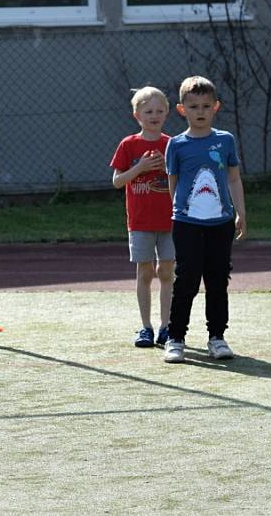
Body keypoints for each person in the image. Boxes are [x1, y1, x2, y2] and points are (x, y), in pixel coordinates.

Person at [162, 76, 247, 363]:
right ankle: (175, 338)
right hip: (187, 225)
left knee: (217, 280)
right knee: (186, 279)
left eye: (206, 106)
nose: (200, 111)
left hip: (220, 225)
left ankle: (217, 337)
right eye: (193, 106)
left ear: (216, 107)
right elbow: (173, 183)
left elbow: (233, 179)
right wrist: (179, 214)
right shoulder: (176, 145)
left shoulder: (225, 141)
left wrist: (240, 212)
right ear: (181, 109)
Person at [110, 86, 174, 348]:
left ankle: (167, 327)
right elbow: (117, 181)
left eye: (159, 111)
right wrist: (141, 167)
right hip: (140, 223)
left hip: (170, 221)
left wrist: (166, 168)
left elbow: (179, 181)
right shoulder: (129, 145)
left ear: (167, 113)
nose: (154, 115)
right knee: (145, 273)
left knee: (167, 271)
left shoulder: (171, 144)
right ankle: (146, 327)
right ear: (137, 115)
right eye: (148, 111)